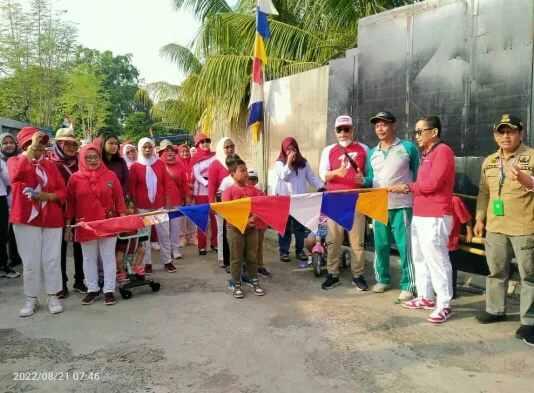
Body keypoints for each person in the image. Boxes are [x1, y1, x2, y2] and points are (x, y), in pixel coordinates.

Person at [473, 114, 534, 340]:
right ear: (495, 136)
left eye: (511, 131)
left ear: (521, 133)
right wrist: (480, 219)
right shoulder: (489, 161)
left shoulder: (531, 157)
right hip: (496, 226)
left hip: (525, 226)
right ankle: (496, 309)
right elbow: (484, 192)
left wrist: (527, 181)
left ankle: (529, 320)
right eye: (501, 132)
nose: (506, 136)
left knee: (529, 276)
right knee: (496, 271)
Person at [390, 115, 455, 324]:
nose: (416, 136)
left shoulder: (443, 151)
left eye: (420, 131)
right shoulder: (427, 153)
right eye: (415, 132)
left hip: (435, 214)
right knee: (420, 257)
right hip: (420, 213)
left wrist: (407, 187)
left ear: (434, 132)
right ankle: (426, 297)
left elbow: (432, 184)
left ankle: (444, 304)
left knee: (437, 259)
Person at [359, 111, 419, 303]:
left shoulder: (408, 148)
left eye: (384, 124)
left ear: (394, 125)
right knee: (381, 245)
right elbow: (371, 179)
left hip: (402, 205)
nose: (380, 128)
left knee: (405, 246)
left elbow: (418, 176)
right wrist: (363, 180)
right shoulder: (372, 153)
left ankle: (408, 285)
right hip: (379, 205)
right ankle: (382, 279)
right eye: (377, 126)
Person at [8, 127, 66, 316]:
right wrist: (31, 150)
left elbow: (63, 191)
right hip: (26, 218)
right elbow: (15, 175)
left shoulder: (51, 165)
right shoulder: (15, 161)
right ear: (24, 144)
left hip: (51, 217)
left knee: (52, 259)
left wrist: (48, 196)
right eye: (34, 142)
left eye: (42, 142)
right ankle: (31, 298)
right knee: (30, 261)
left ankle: (52, 295)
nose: (40, 146)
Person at [65, 145, 127, 306]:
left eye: (96, 157)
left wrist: (123, 218)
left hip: (108, 222)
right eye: (88, 157)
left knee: (108, 257)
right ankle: (92, 289)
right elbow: (70, 204)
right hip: (85, 223)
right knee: (89, 258)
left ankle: (109, 290)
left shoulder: (110, 175)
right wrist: (67, 226)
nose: (93, 160)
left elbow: (119, 198)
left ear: (100, 158)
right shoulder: (75, 178)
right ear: (82, 159)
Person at [318, 115, 369, 291]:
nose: (343, 133)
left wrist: (364, 180)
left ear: (352, 129)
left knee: (357, 241)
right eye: (339, 130)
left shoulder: (364, 149)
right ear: (335, 131)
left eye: (346, 129)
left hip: (357, 200)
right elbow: (322, 174)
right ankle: (333, 274)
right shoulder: (328, 150)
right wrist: (335, 173)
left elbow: (369, 177)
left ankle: (358, 275)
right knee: (333, 240)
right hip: (334, 200)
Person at [128, 137, 176, 274]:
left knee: (164, 234)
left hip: (160, 206)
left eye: (149, 147)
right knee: (145, 236)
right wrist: (135, 208)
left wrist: (166, 204)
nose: (147, 150)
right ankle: (147, 263)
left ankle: (167, 261)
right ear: (139, 149)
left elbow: (166, 184)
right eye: (144, 147)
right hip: (143, 207)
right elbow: (132, 188)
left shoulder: (160, 163)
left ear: (153, 148)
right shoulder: (135, 166)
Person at [49, 128, 87, 298]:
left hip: (80, 210)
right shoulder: (51, 164)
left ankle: (79, 280)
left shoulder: (80, 162)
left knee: (80, 246)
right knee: (60, 249)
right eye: (67, 144)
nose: (71, 147)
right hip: (58, 210)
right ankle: (61, 284)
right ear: (59, 144)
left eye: (74, 144)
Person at [275, 137, 324, 263]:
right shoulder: (279, 163)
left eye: (294, 149)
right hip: (284, 199)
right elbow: (283, 176)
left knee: (300, 226)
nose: (292, 152)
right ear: (284, 150)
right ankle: (284, 252)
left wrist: (322, 187)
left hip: (300, 199)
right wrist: (289, 163)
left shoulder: (303, 163)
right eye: (288, 150)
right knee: (285, 227)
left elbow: (311, 178)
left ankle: (299, 250)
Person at [222, 158, 265, 298]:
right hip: (235, 229)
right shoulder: (228, 192)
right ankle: (236, 284)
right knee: (236, 258)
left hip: (252, 228)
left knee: (252, 257)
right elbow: (228, 212)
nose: (246, 173)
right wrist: (243, 222)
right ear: (233, 174)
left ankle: (254, 281)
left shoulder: (254, 191)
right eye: (242, 170)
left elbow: (262, 204)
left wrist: (253, 219)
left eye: (246, 170)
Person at [158, 139, 192, 259]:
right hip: (162, 201)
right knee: (164, 227)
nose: (169, 152)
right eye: (166, 150)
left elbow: (184, 182)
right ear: (162, 151)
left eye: (171, 150)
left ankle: (175, 248)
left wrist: (187, 195)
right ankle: (166, 250)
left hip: (176, 199)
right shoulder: (158, 164)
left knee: (175, 226)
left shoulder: (179, 164)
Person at [209, 137, 235, 267]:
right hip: (221, 202)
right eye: (226, 147)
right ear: (221, 148)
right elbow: (212, 186)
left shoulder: (236, 160)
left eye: (232, 146)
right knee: (221, 229)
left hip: (236, 201)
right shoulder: (215, 164)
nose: (230, 149)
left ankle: (234, 256)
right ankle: (221, 257)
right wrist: (212, 203)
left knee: (234, 230)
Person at [191, 133, 217, 255]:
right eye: (202, 142)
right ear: (197, 145)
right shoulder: (195, 158)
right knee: (202, 219)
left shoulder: (215, 156)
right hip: (201, 191)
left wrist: (215, 185)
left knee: (215, 218)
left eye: (207, 141)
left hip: (215, 190)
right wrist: (207, 183)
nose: (205, 143)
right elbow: (197, 175)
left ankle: (215, 243)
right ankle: (202, 245)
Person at [0, 133, 22, 269]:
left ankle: (16, 257)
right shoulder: (0, 161)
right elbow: (10, 180)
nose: (9, 145)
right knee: (5, 232)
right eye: (5, 143)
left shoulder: (21, 158)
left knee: (17, 231)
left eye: (11, 142)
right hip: (5, 200)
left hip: (20, 199)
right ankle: (5, 259)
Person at [247, 168, 271, 278]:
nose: (250, 181)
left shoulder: (261, 193)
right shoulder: (243, 192)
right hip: (247, 223)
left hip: (260, 224)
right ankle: (248, 267)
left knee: (258, 246)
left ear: (256, 181)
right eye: (248, 179)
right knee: (248, 247)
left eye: (253, 179)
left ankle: (259, 266)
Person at [116, 196, 146, 282]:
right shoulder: (120, 220)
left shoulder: (135, 219)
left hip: (134, 243)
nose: (129, 210)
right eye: (127, 208)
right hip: (123, 245)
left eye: (132, 208)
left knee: (142, 250)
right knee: (119, 259)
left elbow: (141, 226)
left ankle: (136, 266)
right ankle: (122, 272)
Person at [448, 195, 473, 299]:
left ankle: (452, 291)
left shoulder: (454, 200)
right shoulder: (433, 198)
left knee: (450, 269)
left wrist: (469, 233)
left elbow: (466, 218)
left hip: (450, 244)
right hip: (436, 244)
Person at [177, 144, 197, 246]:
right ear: (179, 153)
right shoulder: (177, 164)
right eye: (182, 151)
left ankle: (192, 236)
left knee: (192, 215)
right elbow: (179, 180)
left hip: (193, 194)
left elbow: (197, 176)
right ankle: (182, 237)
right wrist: (188, 186)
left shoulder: (194, 164)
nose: (185, 153)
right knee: (182, 217)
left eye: (187, 151)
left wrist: (193, 186)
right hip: (182, 195)